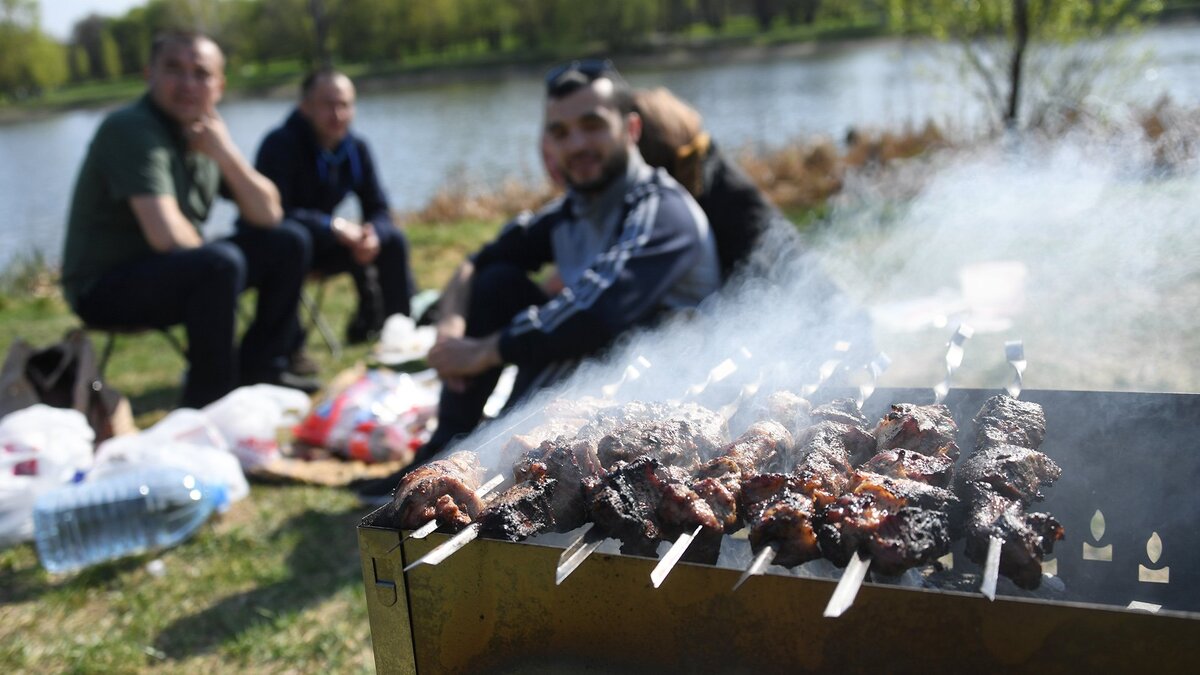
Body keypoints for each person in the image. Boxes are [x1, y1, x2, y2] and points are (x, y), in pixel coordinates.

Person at [355, 59, 722, 498]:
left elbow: (598, 311)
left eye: (592, 125)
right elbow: (476, 263)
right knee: (496, 282)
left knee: (570, 332)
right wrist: (451, 331)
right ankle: (447, 449)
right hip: (599, 375)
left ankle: (491, 459)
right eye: (560, 133)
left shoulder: (662, 210)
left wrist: (485, 351)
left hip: (671, 397)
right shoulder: (571, 212)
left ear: (632, 129)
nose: (577, 144)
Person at [60, 31, 317, 408]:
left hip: (171, 271)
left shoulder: (205, 134)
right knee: (219, 264)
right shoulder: (131, 128)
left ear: (220, 85)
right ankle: (211, 401)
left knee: (289, 241)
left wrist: (225, 152)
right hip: (103, 287)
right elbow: (166, 236)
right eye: (174, 69)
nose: (188, 84)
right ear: (149, 74)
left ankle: (263, 371)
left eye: (201, 73)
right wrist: (223, 264)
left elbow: (269, 213)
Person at [254, 69, 415, 348]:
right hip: (284, 246)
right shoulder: (279, 145)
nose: (338, 114)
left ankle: (398, 333)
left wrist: (372, 234)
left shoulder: (356, 147)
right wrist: (335, 227)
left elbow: (378, 207)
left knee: (393, 241)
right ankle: (285, 350)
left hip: (327, 243)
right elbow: (274, 213)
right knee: (293, 241)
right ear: (305, 106)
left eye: (345, 105)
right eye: (328, 105)